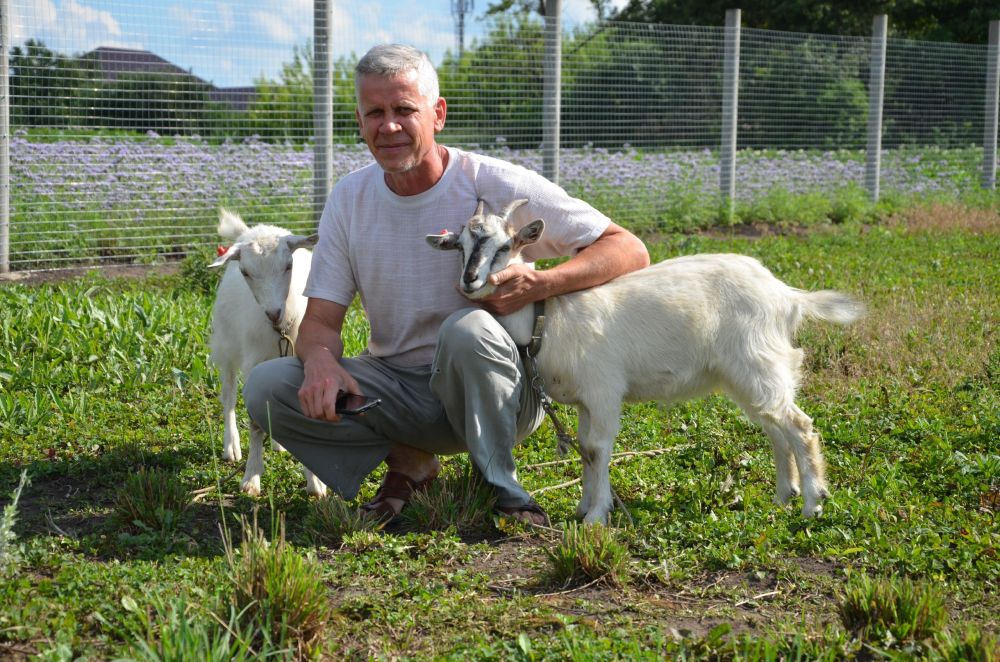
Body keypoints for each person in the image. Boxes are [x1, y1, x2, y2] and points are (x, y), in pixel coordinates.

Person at [243, 43, 649, 525]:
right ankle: (410, 461)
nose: (388, 125)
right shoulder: (349, 198)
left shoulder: (494, 182)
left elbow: (628, 249)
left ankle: (502, 485)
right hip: (397, 388)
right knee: (267, 385)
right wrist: (320, 363)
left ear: (437, 114)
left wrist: (542, 285)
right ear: (359, 121)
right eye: (375, 112)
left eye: (403, 109)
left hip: (503, 386)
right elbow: (320, 324)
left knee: (467, 328)